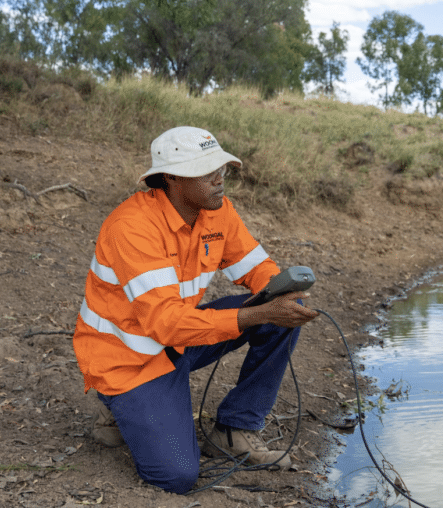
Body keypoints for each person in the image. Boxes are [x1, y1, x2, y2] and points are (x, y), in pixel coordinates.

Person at [72, 126, 319, 494]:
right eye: (207, 171)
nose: (220, 179)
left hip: (177, 341)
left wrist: (281, 291)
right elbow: (166, 324)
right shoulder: (133, 227)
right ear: (171, 177)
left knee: (282, 310)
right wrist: (260, 314)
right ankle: (116, 405)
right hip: (128, 362)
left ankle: (234, 431)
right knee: (177, 477)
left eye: (221, 168)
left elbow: (256, 267)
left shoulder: (215, 211)